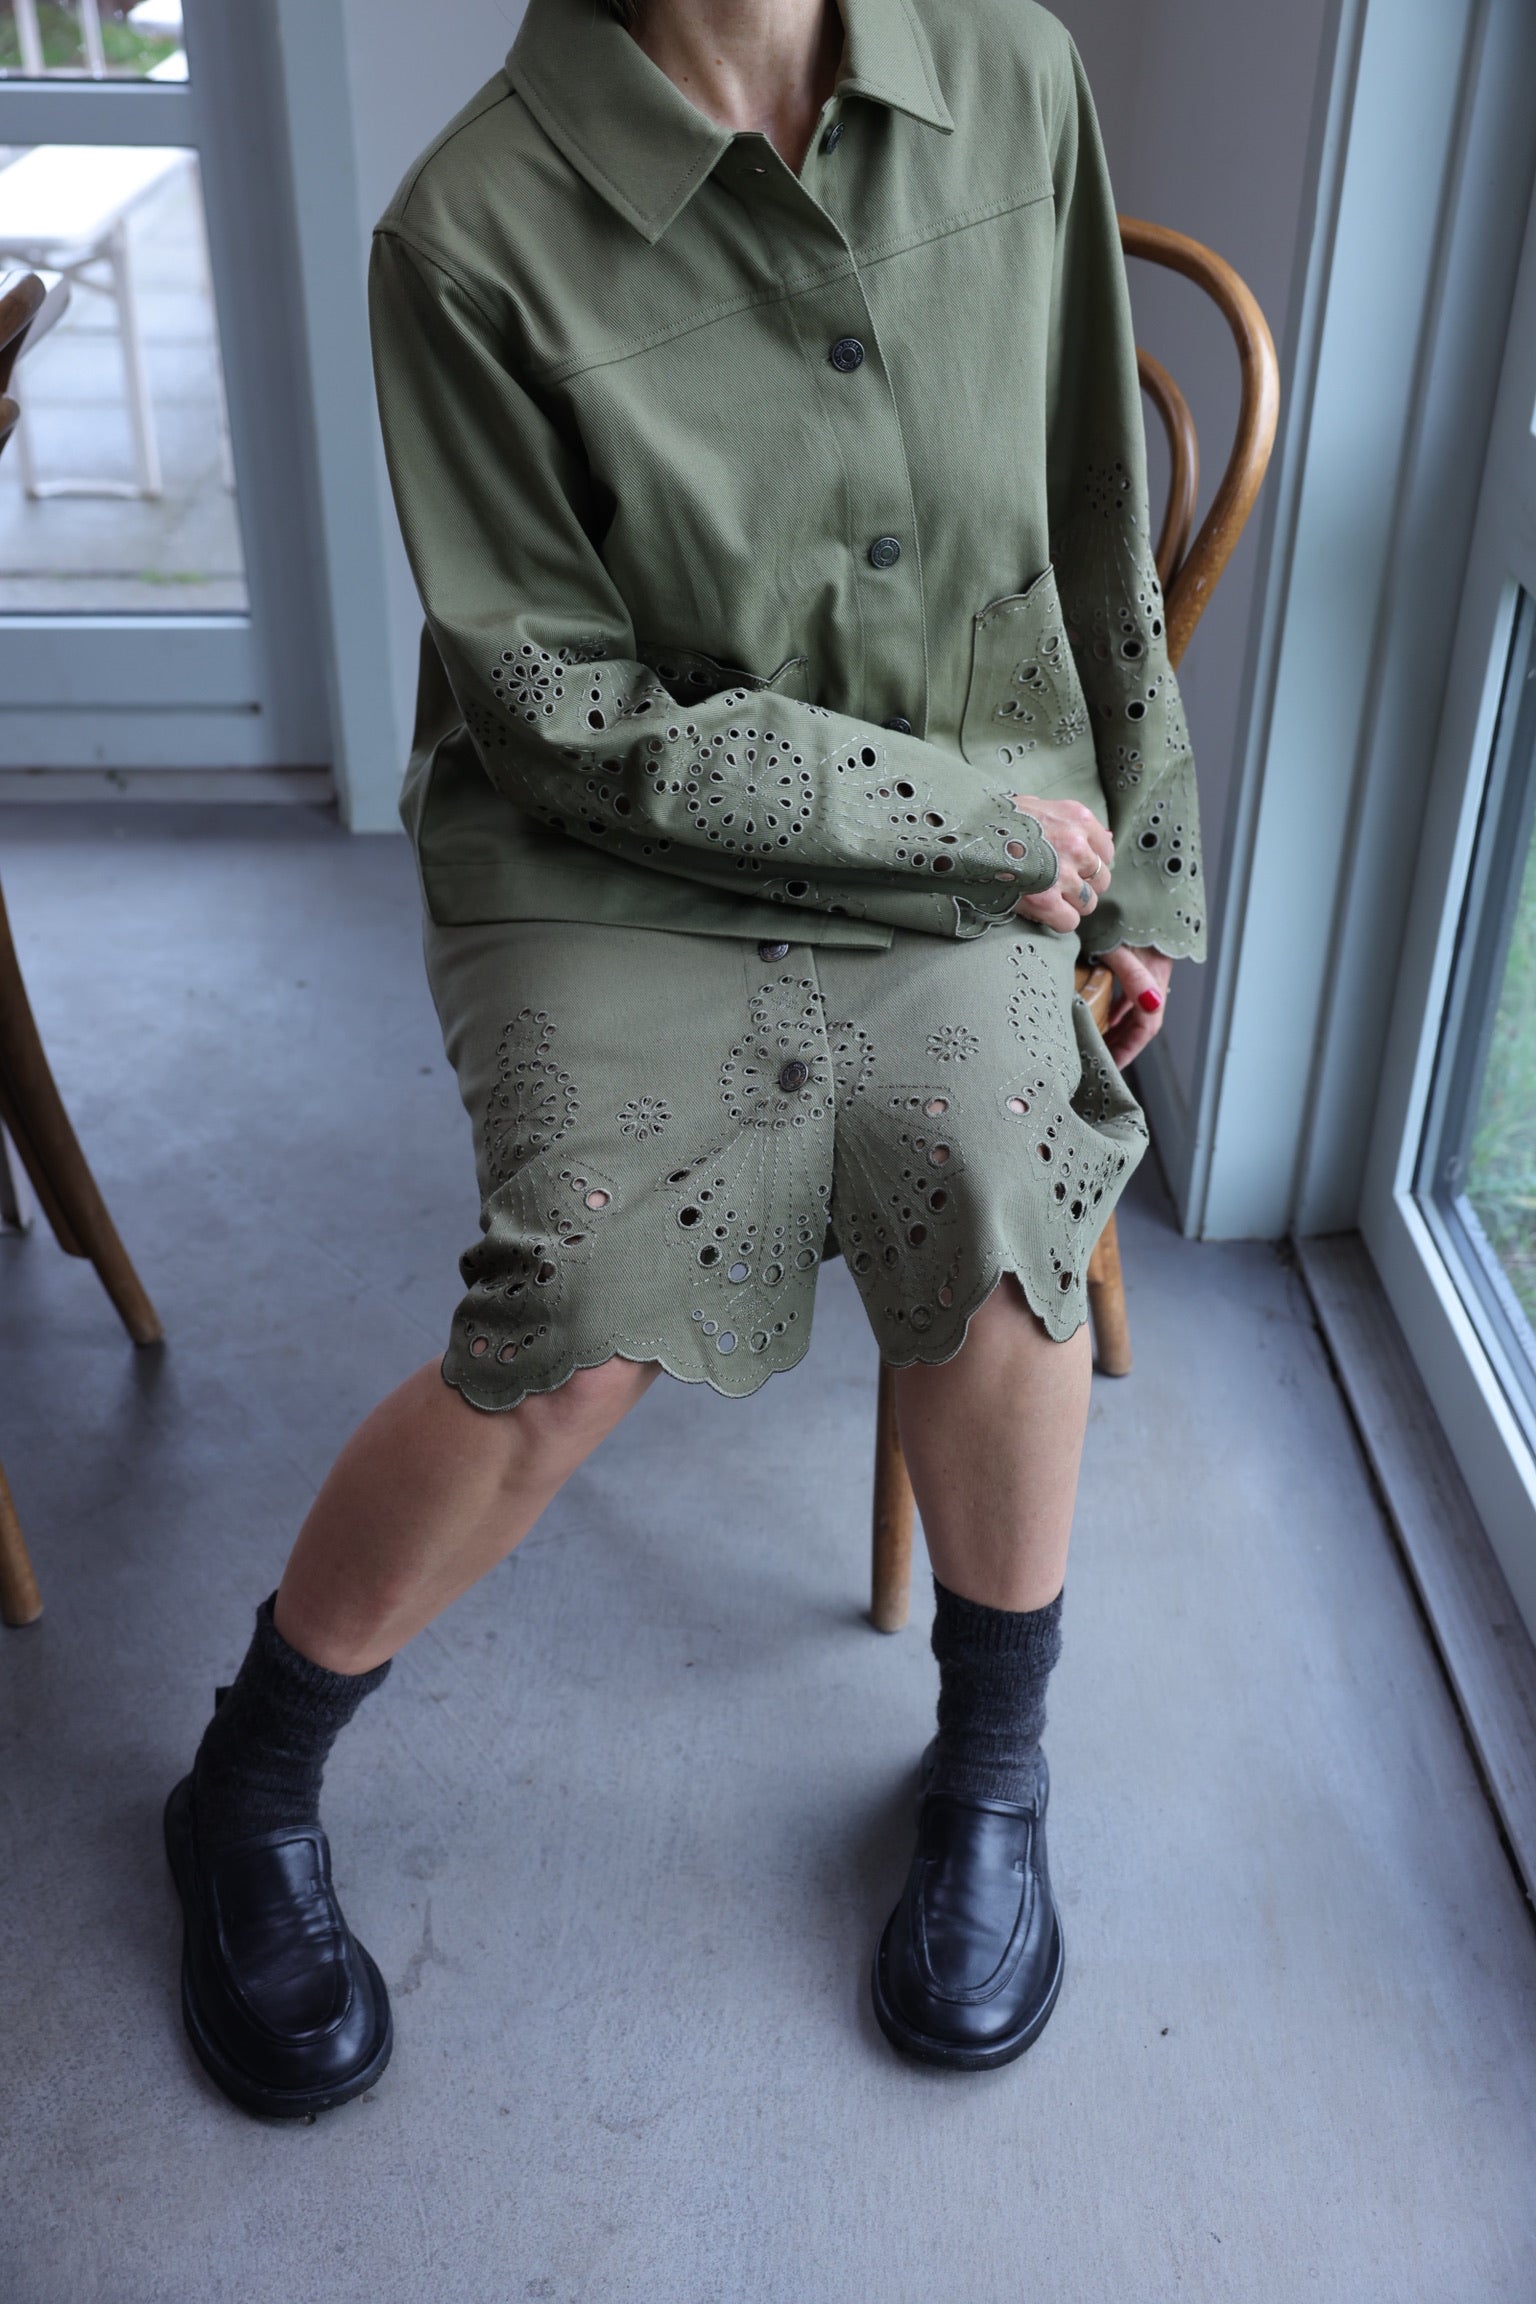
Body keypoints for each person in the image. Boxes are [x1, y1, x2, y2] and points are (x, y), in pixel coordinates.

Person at [163, 0, 1203, 2118]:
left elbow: (1094, 504)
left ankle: (992, 1765)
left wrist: (1142, 874)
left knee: (999, 1184)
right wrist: (977, 831)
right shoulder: (466, 231)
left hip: (989, 816)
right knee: (584, 1307)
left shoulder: (1011, 71)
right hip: (614, 856)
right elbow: (562, 716)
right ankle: (244, 1781)